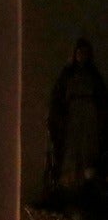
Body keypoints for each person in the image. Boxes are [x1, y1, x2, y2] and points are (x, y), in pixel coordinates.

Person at [46, 38, 108, 195]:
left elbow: (101, 99)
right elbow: (58, 98)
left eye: (85, 53)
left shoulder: (93, 76)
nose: (82, 56)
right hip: (73, 116)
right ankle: (70, 179)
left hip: (89, 116)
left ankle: (88, 178)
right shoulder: (68, 75)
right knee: (73, 146)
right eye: (79, 53)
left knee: (88, 146)